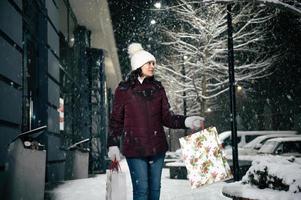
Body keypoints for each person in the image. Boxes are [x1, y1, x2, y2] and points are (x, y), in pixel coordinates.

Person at [107, 43, 204, 200]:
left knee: (154, 191)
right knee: (141, 190)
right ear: (138, 65)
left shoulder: (158, 88)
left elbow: (167, 117)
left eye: (153, 63)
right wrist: (112, 143)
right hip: (135, 148)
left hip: (157, 148)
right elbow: (116, 120)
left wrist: (186, 121)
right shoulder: (124, 89)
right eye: (149, 63)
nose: (153, 66)